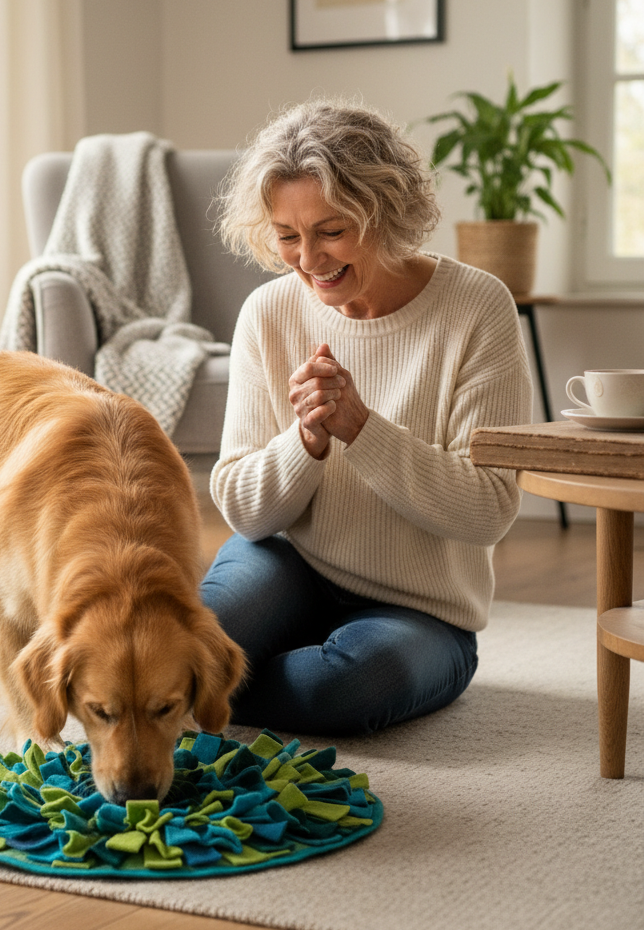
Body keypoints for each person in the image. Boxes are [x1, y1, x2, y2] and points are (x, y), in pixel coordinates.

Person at [201, 100, 533, 737]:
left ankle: (196, 687)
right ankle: (190, 677)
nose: (308, 259)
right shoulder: (268, 312)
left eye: (331, 230)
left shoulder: (477, 307)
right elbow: (245, 513)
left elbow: (489, 509)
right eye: (287, 235)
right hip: (290, 565)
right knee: (195, 637)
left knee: (339, 687)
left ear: (384, 211)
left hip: (421, 611)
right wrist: (305, 440)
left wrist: (360, 427)